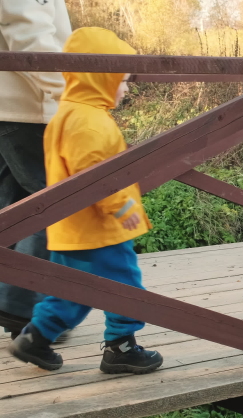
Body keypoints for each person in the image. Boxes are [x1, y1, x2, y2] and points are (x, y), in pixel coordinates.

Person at [8, 27, 163, 374]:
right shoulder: (88, 122)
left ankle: (35, 338)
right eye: (122, 80)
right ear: (100, 77)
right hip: (99, 228)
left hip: (71, 229)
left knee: (73, 290)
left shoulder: (68, 113)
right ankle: (122, 347)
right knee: (124, 284)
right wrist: (122, 208)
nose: (125, 88)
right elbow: (95, 175)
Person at [0, 0, 72, 339]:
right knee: (56, 204)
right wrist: (71, 92)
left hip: (13, 106)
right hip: (29, 109)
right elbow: (30, 34)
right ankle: (20, 308)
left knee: (13, 210)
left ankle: (18, 307)